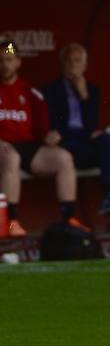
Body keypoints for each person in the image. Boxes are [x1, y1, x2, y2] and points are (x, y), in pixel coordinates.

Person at [0, 38, 83, 236]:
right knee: (12, 157)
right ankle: (11, 221)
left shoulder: (31, 92)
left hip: (27, 147)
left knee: (63, 158)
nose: (6, 65)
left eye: (10, 59)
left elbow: (42, 129)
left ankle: (69, 218)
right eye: (1, 61)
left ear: (18, 62)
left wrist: (50, 136)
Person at [42, 43, 110, 218]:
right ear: (62, 63)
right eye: (69, 61)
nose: (73, 66)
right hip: (67, 144)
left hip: (86, 143)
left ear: (85, 65)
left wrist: (83, 94)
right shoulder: (50, 90)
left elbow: (92, 124)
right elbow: (54, 129)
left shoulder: (92, 90)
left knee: (107, 140)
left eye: (78, 61)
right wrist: (83, 134)